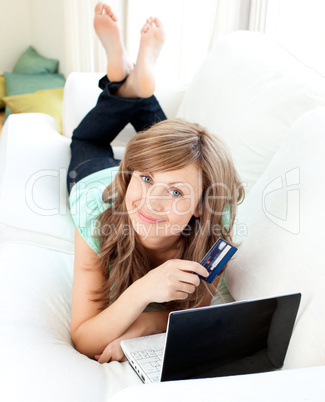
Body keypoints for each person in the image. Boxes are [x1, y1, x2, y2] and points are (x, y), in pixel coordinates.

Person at [67, 2, 244, 364]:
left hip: (146, 173)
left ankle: (126, 82)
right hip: (99, 187)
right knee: (86, 143)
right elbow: (84, 337)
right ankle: (127, 78)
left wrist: (143, 325)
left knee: (181, 154)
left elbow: (194, 312)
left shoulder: (212, 233)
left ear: (200, 207)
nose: (150, 202)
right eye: (146, 180)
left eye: (176, 193)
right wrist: (143, 289)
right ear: (134, 175)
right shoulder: (95, 221)